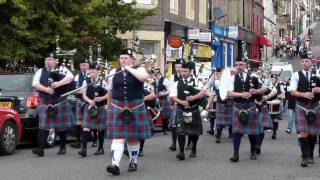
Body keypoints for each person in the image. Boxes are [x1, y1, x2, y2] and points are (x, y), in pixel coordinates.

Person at [105, 48, 151, 175]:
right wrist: (108, 107)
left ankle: (133, 161)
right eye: (121, 58)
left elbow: (143, 78)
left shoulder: (139, 69)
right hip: (117, 106)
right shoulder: (113, 71)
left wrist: (128, 68)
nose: (123, 60)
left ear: (131, 59)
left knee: (132, 138)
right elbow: (110, 91)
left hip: (135, 107)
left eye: (126, 58)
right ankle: (115, 165)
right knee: (117, 137)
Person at [32, 52, 75, 157]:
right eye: (46, 59)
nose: (48, 61)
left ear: (56, 61)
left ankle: (62, 147)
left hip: (59, 101)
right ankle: (40, 149)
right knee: (43, 126)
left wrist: (58, 83)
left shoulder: (62, 69)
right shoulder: (40, 71)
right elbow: (35, 83)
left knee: (61, 126)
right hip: (45, 101)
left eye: (50, 59)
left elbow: (71, 77)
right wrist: (45, 89)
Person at [227, 59, 265, 162]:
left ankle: (253, 151)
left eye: (241, 64)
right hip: (237, 106)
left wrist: (256, 91)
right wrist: (242, 94)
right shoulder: (232, 78)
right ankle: (235, 154)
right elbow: (230, 93)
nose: (239, 66)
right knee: (236, 132)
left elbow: (265, 88)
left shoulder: (253, 77)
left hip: (251, 106)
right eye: (237, 65)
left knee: (252, 132)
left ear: (245, 66)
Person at [169, 62, 207, 160]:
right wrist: (181, 101)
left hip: (193, 109)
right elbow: (173, 96)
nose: (183, 73)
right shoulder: (176, 83)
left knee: (194, 132)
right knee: (180, 132)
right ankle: (181, 152)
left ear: (190, 72)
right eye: (182, 71)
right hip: (181, 109)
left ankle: (194, 147)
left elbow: (204, 92)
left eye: (186, 71)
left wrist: (194, 97)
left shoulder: (197, 81)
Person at [289, 56, 320, 167]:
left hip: (315, 106)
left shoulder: (317, 75)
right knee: (303, 132)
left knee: (312, 133)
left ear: (311, 63)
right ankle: (304, 156)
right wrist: (303, 94)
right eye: (302, 61)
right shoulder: (295, 75)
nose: (304, 63)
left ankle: (311, 154)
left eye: (306, 61)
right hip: (301, 106)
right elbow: (292, 91)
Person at [78, 63, 108, 157]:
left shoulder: (103, 81)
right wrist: (89, 100)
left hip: (100, 106)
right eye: (90, 72)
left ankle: (101, 148)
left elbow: (109, 94)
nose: (92, 73)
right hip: (89, 106)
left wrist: (101, 98)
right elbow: (84, 95)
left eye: (94, 71)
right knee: (86, 126)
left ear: (97, 72)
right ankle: (83, 149)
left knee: (100, 128)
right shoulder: (86, 81)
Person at [70, 58, 89, 149]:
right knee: (79, 121)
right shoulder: (77, 76)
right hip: (80, 100)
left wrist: (84, 91)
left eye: (84, 65)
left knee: (90, 121)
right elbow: (76, 88)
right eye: (81, 65)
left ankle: (95, 139)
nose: (82, 67)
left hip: (90, 100)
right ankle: (78, 141)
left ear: (88, 65)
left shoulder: (92, 74)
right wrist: (78, 91)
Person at [168, 59, 183, 151]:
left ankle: (189, 141)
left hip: (187, 102)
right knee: (174, 124)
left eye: (180, 67)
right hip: (176, 102)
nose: (178, 69)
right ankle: (174, 143)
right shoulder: (172, 77)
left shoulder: (190, 76)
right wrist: (171, 102)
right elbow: (171, 90)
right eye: (176, 67)